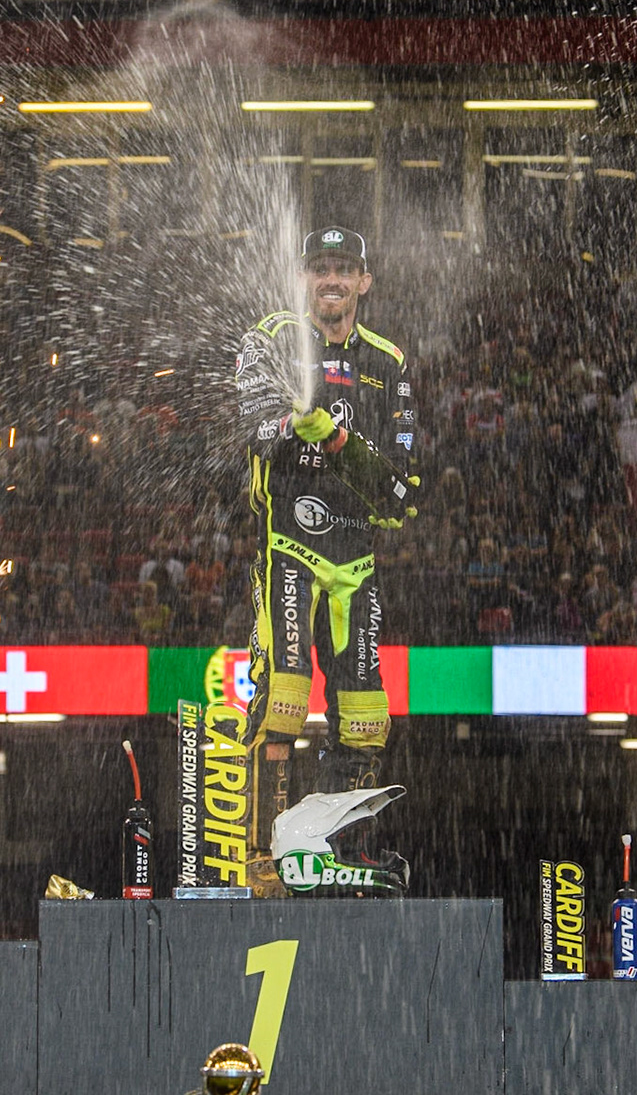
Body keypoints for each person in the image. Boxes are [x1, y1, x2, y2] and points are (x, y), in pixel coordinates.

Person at [234, 226, 417, 895]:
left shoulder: (389, 361)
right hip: (287, 545)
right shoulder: (273, 337)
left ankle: (338, 856)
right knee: (283, 701)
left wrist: (341, 444)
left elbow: (400, 493)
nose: (331, 279)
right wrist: (293, 425)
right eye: (319, 268)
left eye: (343, 268)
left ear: (364, 281)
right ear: (303, 279)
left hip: (355, 561)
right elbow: (248, 427)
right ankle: (264, 858)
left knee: (365, 719)